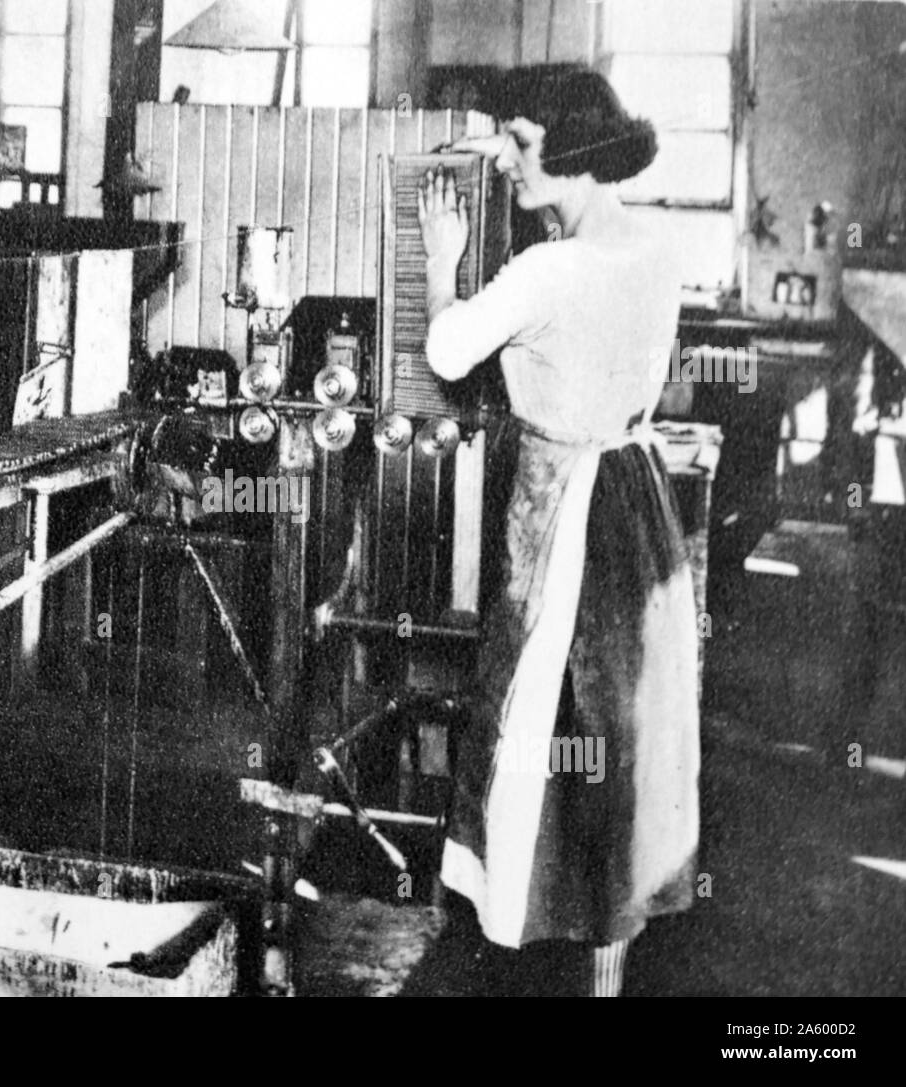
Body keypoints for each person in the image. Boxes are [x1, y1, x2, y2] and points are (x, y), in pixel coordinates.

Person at [418, 63, 699, 997]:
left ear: (577, 153)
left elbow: (448, 351)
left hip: (564, 516)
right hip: (636, 505)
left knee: (533, 716)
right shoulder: (657, 252)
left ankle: (513, 924)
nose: (504, 158)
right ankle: (609, 965)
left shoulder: (548, 269)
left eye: (523, 143)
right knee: (621, 733)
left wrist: (440, 261)